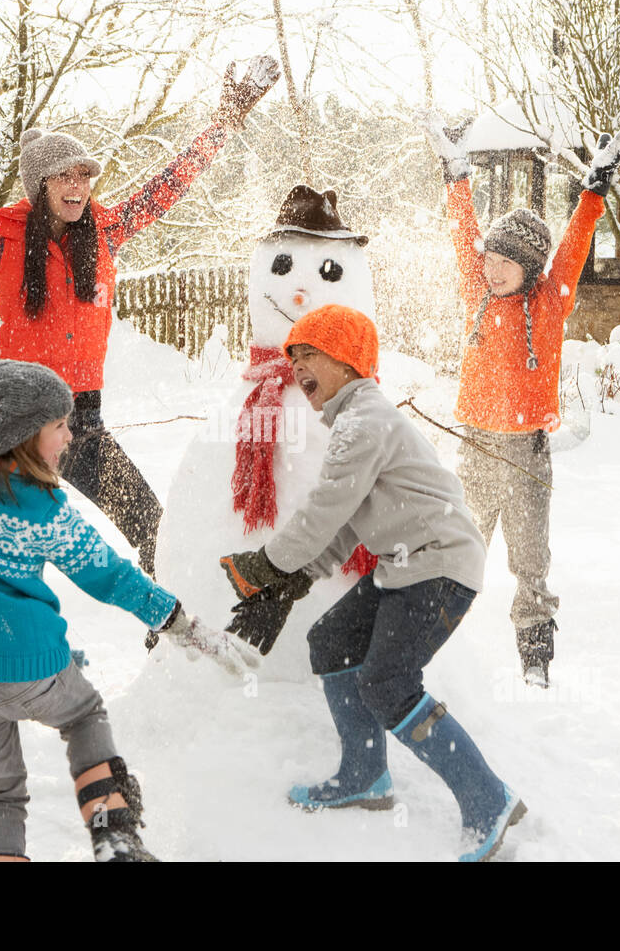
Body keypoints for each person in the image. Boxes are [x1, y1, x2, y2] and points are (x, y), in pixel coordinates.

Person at [0, 56, 280, 576]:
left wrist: (225, 122)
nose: (79, 184)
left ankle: (170, 620)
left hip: (80, 415)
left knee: (153, 526)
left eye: (84, 174)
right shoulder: (3, 234)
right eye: (65, 174)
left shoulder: (107, 230)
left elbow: (170, 185)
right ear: (40, 185)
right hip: (15, 412)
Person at [0, 300, 250, 862]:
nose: (70, 437)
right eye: (59, 426)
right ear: (22, 435)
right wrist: (180, 623)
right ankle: (116, 838)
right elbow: (111, 577)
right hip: (34, 669)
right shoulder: (45, 509)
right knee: (83, 716)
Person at [217, 304, 525, 862]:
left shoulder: (367, 421)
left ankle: (489, 800)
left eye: (310, 353)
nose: (297, 367)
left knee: (389, 683)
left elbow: (322, 511)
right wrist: (292, 586)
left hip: (438, 566)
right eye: (292, 357)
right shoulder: (355, 421)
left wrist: (265, 567)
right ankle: (365, 775)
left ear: (348, 361)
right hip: (404, 565)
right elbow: (343, 524)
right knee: (331, 641)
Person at [422, 112, 620, 687]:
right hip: (474, 446)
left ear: (530, 270)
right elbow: (462, 230)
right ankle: (434, 646)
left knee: (530, 557)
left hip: (528, 450)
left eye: (503, 262)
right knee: (459, 549)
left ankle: (535, 651)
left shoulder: (549, 303)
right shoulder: (477, 290)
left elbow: (574, 243)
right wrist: (453, 169)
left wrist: (596, 185)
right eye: (488, 259)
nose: (489, 268)